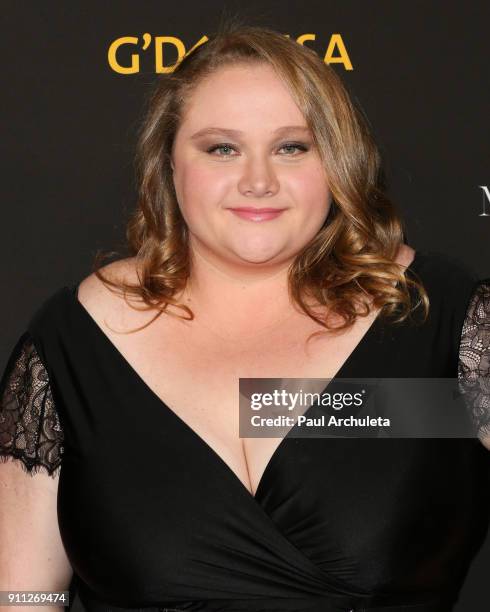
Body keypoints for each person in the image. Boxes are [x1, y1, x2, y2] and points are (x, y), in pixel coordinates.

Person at [1, 20, 489, 612]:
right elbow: (25, 597)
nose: (258, 181)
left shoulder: (437, 320)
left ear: (337, 162)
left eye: (292, 147)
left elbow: (318, 416)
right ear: (169, 163)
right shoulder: (75, 344)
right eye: (222, 148)